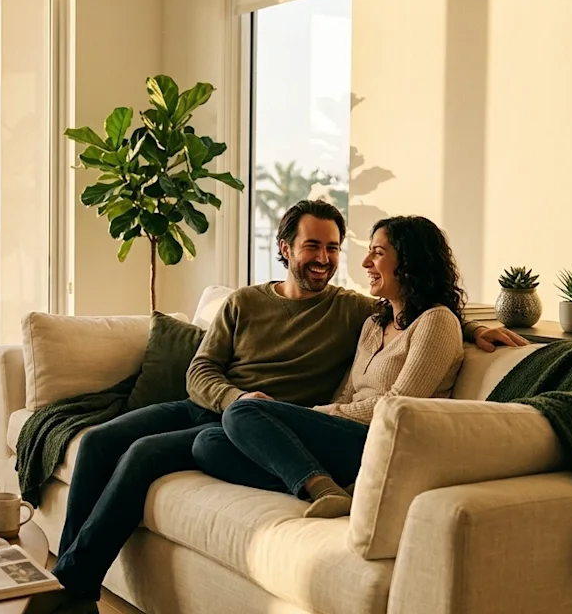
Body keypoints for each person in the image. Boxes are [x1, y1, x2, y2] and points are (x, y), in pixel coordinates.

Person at [21, 201, 526, 614]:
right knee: (101, 440)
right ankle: (64, 580)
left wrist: (474, 330)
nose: (325, 259)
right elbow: (200, 373)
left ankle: (74, 590)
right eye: (313, 246)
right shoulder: (248, 303)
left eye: (333, 248)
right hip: (219, 406)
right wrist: (234, 399)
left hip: (278, 421)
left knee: (144, 457)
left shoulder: (350, 308)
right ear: (285, 249)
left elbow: (427, 322)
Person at [191, 215, 467, 519]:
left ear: (410, 261)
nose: (365, 262)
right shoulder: (375, 323)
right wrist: (316, 418)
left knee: (243, 410)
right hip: (344, 436)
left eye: (377, 252)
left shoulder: (437, 322)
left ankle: (320, 485)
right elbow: (347, 392)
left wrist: (315, 414)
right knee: (209, 444)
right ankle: (326, 485)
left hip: (385, 440)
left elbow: (396, 406)